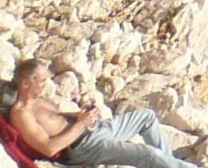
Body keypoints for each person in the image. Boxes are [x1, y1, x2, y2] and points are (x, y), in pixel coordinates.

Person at [6, 58, 196, 168]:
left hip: (93, 129)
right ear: (26, 83)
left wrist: (80, 115)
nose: (45, 84)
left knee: (146, 117)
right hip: (84, 146)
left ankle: (170, 164)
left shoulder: (39, 100)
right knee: (148, 154)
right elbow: (49, 148)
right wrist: (81, 124)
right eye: (41, 81)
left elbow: (57, 118)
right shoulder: (21, 114)